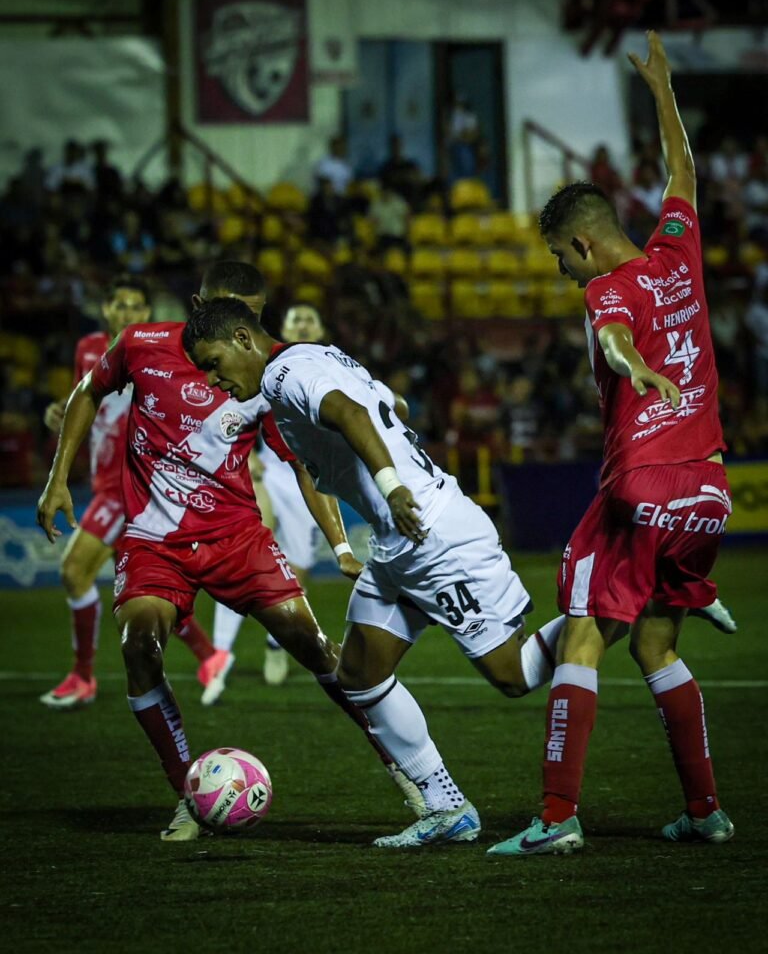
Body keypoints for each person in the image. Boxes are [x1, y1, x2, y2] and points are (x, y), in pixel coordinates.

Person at [36, 261, 421, 842]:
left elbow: (305, 466)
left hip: (237, 536)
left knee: (316, 647)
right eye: (230, 307)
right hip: (153, 539)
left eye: (254, 313)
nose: (244, 325)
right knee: (139, 644)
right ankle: (188, 796)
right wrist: (57, 477)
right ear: (200, 305)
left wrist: (339, 543)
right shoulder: (141, 345)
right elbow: (88, 392)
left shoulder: (269, 374)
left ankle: (406, 770)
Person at [182, 296, 577, 849]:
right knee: (360, 674)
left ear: (244, 340)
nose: (215, 379)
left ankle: (613, 606)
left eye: (215, 363)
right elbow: (393, 406)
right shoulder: (315, 361)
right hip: (397, 545)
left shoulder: (287, 372)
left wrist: (392, 485)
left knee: (513, 675)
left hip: (432, 533)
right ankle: (447, 807)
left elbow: (352, 412)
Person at [487, 32, 734, 857]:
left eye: (562, 255)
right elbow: (683, 173)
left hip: (643, 484)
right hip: (708, 492)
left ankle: (556, 820)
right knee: (657, 642)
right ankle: (706, 812)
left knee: (583, 634)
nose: (564, 270)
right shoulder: (678, 252)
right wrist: (662, 89)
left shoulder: (606, 286)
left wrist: (638, 372)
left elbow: (618, 337)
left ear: (583, 245)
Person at [39, 275, 217, 710]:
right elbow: (88, 399)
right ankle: (210, 657)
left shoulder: (153, 348)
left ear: (146, 312)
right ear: (106, 310)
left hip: (131, 483)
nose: (125, 313)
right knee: (142, 587)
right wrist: (59, 413)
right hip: (102, 477)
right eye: (118, 305)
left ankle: (83, 676)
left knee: (75, 570)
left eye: (134, 306)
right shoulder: (87, 349)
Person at [210, 303, 351, 693]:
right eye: (295, 318)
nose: (302, 323)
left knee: (298, 566)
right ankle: (220, 652)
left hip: (308, 475)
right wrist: (249, 452)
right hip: (272, 470)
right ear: (284, 327)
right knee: (249, 546)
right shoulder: (269, 366)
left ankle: (276, 644)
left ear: (321, 327)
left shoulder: (332, 366)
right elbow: (238, 408)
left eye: (310, 317)